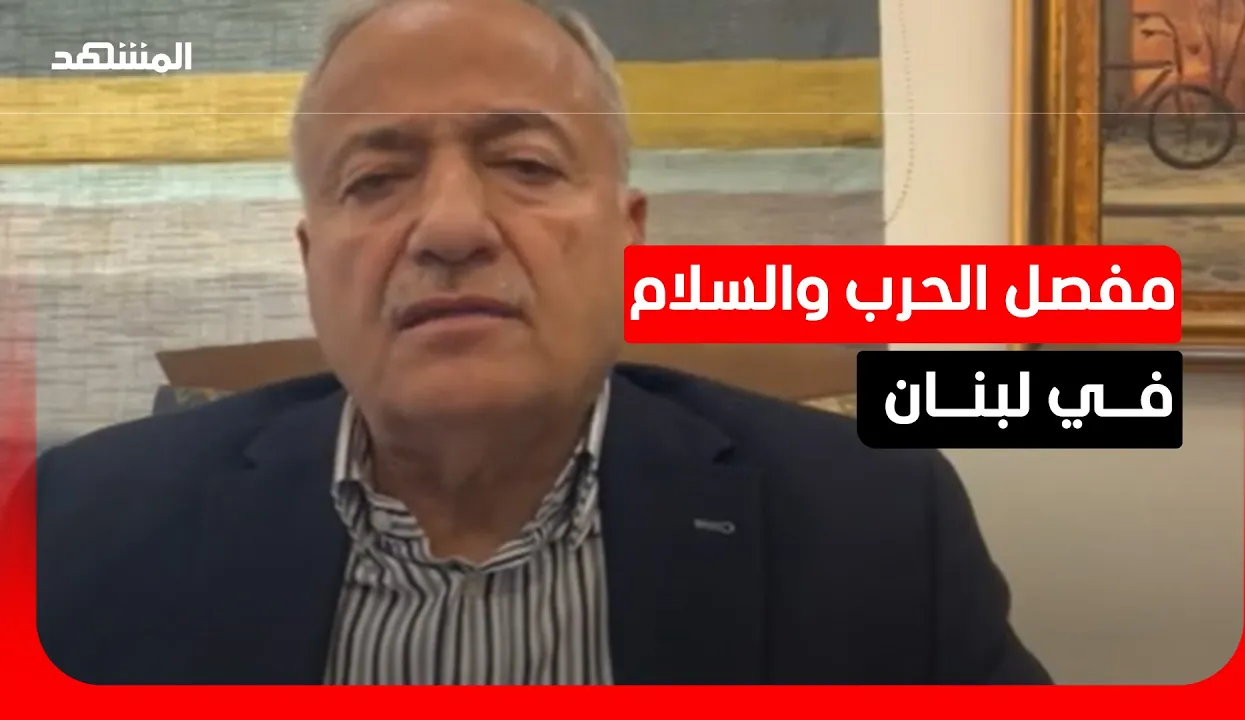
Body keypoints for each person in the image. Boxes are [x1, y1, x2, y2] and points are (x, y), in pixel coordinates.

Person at [35, 0, 1051, 685]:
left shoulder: (875, 525)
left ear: (627, 238)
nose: (450, 228)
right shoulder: (80, 528)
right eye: (375, 180)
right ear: (312, 261)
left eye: (524, 164)